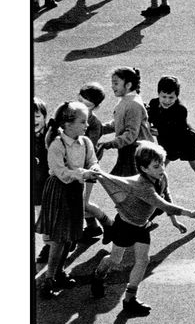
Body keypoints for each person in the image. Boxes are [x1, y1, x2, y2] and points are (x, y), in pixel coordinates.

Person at [90, 141, 195, 315]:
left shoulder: (161, 177)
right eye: (156, 166)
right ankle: (98, 275)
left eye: (162, 164)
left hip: (141, 226)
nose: (162, 169)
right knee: (115, 260)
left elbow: (166, 196)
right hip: (125, 226)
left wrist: (174, 222)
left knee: (143, 260)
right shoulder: (142, 186)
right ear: (144, 169)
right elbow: (164, 205)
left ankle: (129, 300)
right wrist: (189, 214)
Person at [36, 102, 100, 297]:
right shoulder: (57, 144)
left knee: (70, 237)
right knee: (59, 239)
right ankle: (48, 281)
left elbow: (93, 161)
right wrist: (83, 174)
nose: (86, 125)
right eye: (82, 121)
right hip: (58, 192)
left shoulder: (86, 142)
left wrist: (95, 169)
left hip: (74, 192)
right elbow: (61, 173)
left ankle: (59, 272)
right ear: (68, 124)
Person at [147, 75, 195, 216]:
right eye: (163, 96)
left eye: (171, 97)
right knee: (157, 171)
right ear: (158, 94)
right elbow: (148, 119)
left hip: (185, 143)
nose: (167, 101)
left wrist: (153, 130)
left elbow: (171, 131)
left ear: (177, 96)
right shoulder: (153, 104)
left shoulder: (181, 110)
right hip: (167, 145)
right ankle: (159, 200)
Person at [97, 67, 152, 177]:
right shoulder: (126, 100)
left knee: (126, 188)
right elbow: (119, 123)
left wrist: (110, 144)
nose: (112, 87)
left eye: (116, 83)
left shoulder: (133, 105)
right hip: (128, 152)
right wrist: (98, 128)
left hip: (136, 154)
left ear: (128, 85)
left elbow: (131, 134)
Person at [77, 82, 109, 240]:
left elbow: (86, 148)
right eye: (80, 101)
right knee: (80, 201)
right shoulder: (70, 112)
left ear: (95, 107)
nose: (82, 106)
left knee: (82, 202)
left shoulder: (94, 125)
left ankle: (108, 224)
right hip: (73, 166)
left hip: (88, 168)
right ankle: (92, 227)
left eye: (87, 105)